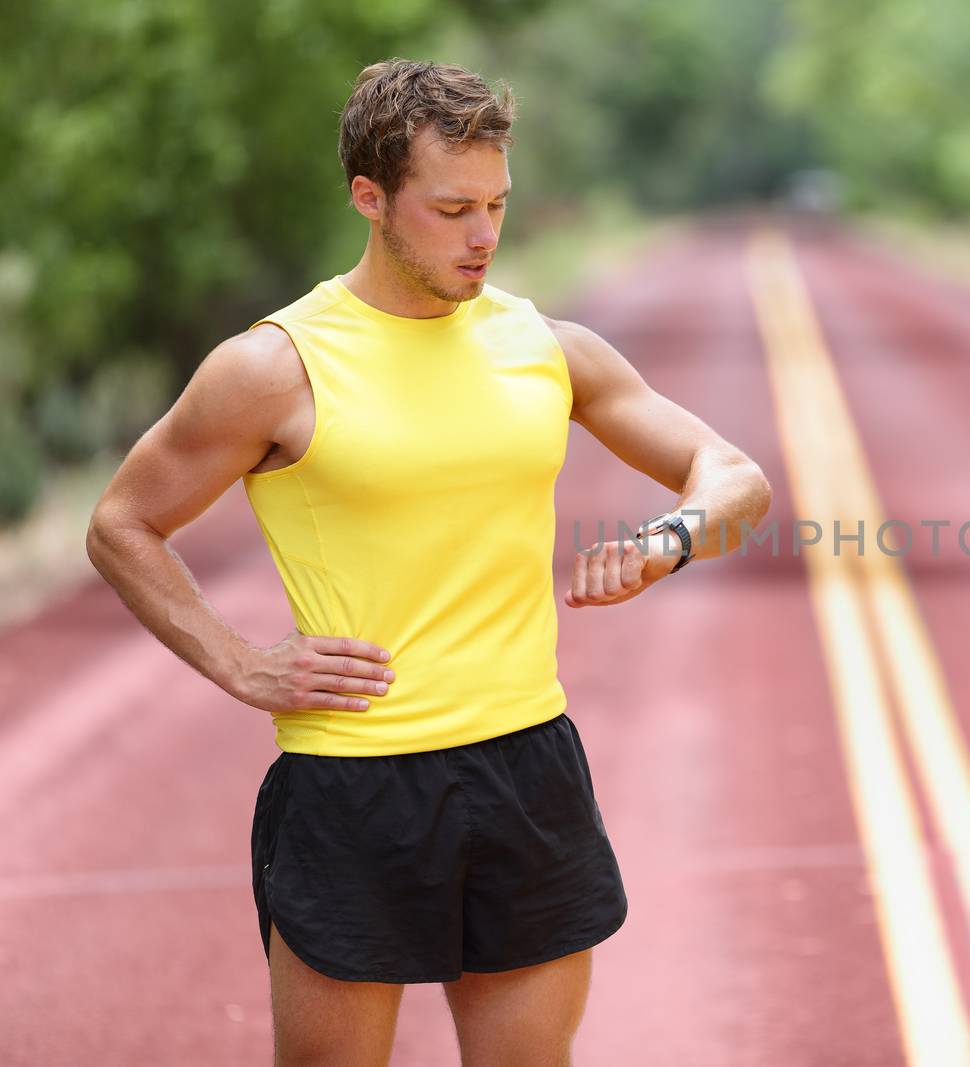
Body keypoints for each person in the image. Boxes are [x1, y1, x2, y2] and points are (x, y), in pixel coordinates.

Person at [84, 58, 772, 1066]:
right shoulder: (275, 366)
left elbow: (734, 475)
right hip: (353, 782)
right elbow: (121, 523)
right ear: (370, 198)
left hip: (526, 764)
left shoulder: (543, 346)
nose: (483, 234)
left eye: (495, 203)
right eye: (451, 209)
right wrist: (237, 660)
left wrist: (664, 542)